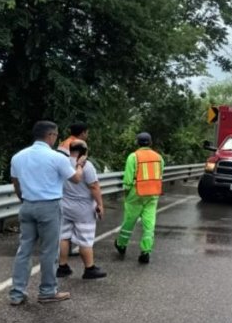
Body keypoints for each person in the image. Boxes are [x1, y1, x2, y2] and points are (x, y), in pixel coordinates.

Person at [9, 121, 87, 305]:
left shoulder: (18, 157)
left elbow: (16, 183)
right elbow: (75, 179)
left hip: (27, 205)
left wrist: (24, 199)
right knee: (49, 251)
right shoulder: (56, 157)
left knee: (24, 250)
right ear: (51, 135)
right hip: (49, 207)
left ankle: (17, 293)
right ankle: (47, 291)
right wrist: (79, 165)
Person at [57, 140, 107, 279]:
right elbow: (94, 186)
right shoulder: (87, 165)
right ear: (84, 151)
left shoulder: (62, 162)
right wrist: (100, 204)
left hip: (64, 205)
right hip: (83, 208)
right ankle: (89, 268)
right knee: (85, 238)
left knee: (64, 236)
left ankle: (62, 267)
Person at [114, 132, 164, 264]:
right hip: (153, 194)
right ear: (151, 142)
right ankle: (146, 251)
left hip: (136, 193)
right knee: (149, 223)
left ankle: (121, 244)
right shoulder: (159, 157)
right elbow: (160, 174)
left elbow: (128, 179)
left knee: (129, 220)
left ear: (137, 143)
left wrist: (127, 193)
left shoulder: (133, 157)